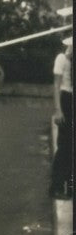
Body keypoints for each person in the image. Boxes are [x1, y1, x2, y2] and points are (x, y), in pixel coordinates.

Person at [49, 35, 73, 200]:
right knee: (64, 145)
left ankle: (69, 186)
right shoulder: (62, 59)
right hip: (66, 100)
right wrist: (58, 110)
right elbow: (56, 86)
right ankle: (56, 186)